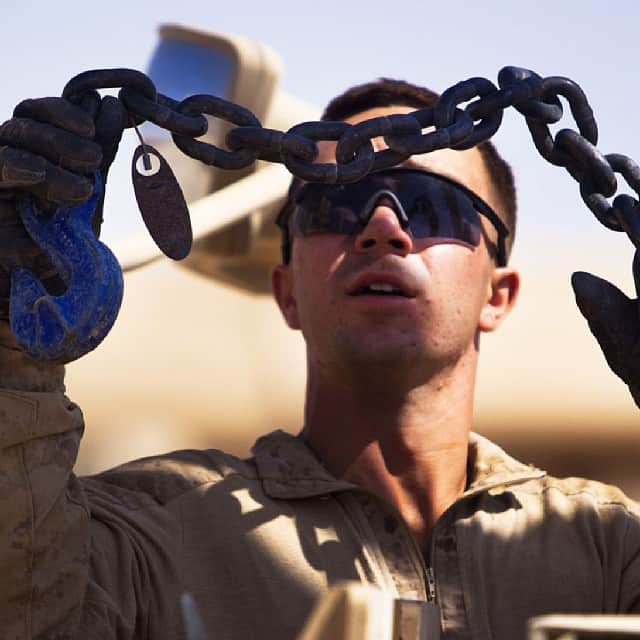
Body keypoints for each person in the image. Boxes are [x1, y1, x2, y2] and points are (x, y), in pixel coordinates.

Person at [0, 78, 638, 640]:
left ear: (497, 295)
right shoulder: (151, 530)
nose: (383, 228)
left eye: (432, 206)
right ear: (288, 291)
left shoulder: (610, 548)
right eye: (337, 205)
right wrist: (7, 341)